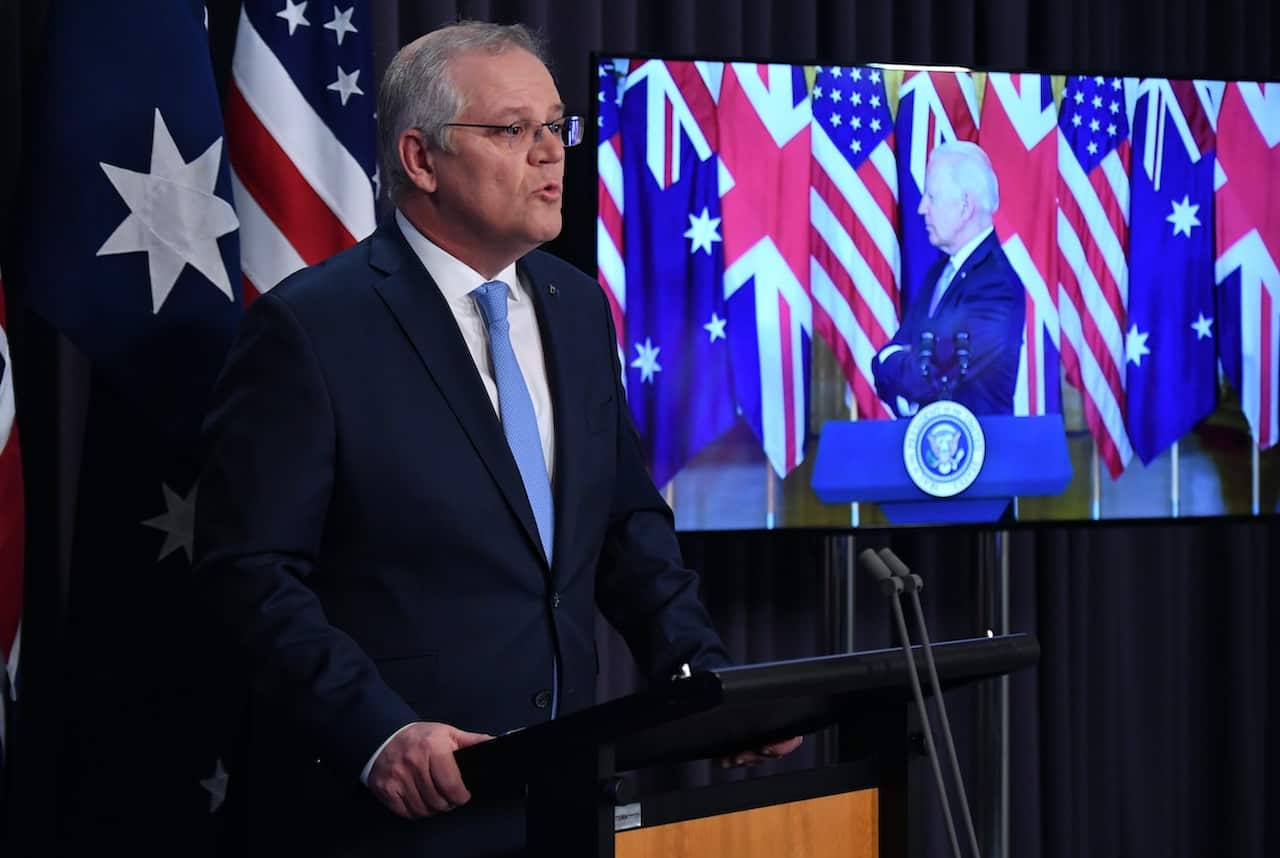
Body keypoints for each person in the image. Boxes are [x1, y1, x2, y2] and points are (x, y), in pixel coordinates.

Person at [193, 21, 797, 857]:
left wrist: (699, 678)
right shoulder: (310, 331)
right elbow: (249, 575)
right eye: (514, 130)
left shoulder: (578, 308)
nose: (551, 153)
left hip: (562, 800)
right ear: (420, 159)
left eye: (557, 127)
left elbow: (624, 524)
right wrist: (378, 735)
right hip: (391, 818)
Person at [872, 141, 1025, 417]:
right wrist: (899, 370)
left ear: (965, 206)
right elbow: (905, 354)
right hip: (927, 446)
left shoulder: (996, 284)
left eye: (932, 197)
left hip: (980, 452)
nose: (921, 208)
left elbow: (929, 376)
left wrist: (888, 362)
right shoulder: (940, 271)